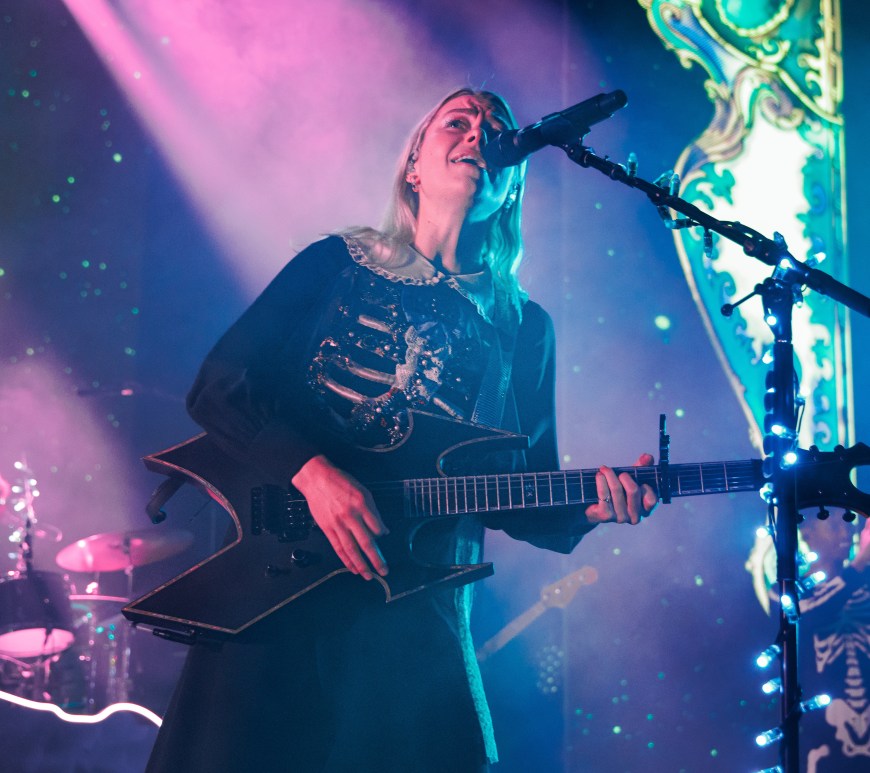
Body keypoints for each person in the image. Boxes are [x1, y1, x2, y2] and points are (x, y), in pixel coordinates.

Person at [144, 88, 658, 773]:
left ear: (511, 189)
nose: (481, 133)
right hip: (276, 589)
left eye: (497, 129)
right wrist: (309, 470)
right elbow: (220, 384)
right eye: (459, 120)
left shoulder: (522, 326)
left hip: (411, 610)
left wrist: (590, 506)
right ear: (414, 164)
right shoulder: (335, 263)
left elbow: (520, 490)